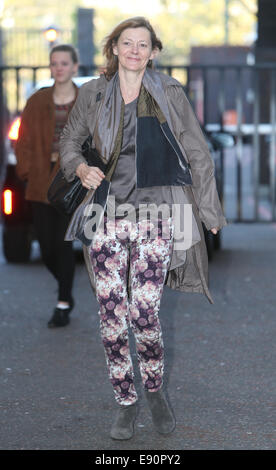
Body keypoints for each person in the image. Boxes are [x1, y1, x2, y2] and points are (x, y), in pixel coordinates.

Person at [59, 17, 226, 440]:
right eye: (126, 43)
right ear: (114, 48)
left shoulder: (168, 92)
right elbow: (69, 141)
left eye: (143, 44)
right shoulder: (94, 93)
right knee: (111, 313)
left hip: (158, 216)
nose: (134, 50)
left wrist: (209, 212)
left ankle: (153, 389)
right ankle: (126, 401)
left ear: (153, 52)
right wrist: (79, 167)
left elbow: (198, 153)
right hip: (105, 216)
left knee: (145, 311)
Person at [16, 44, 79, 328]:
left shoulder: (87, 101)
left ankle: (63, 303)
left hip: (71, 182)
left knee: (63, 244)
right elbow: (23, 139)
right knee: (47, 246)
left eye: (65, 63)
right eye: (55, 63)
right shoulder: (37, 101)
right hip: (41, 181)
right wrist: (27, 170)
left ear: (74, 67)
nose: (59, 68)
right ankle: (65, 289)